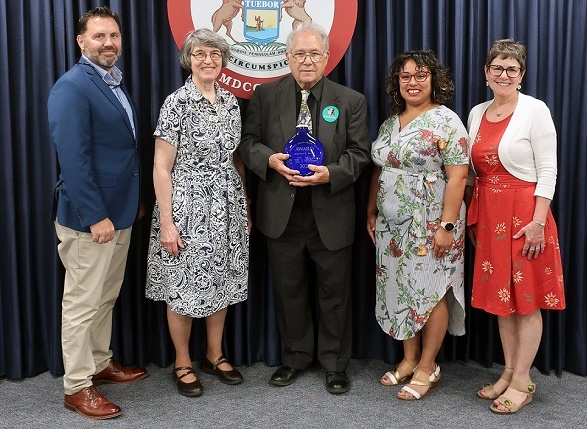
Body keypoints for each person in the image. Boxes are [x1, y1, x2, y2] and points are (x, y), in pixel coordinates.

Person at [238, 23, 370, 394]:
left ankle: (334, 363)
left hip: (331, 209)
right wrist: (270, 161)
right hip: (281, 211)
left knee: (335, 292)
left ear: (327, 58)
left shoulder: (350, 100)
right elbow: (247, 143)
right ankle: (296, 356)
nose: (307, 61)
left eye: (314, 54)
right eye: (299, 54)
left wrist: (332, 173)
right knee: (288, 289)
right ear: (287, 57)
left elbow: (361, 154)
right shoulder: (265, 96)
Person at [48, 6, 148, 420]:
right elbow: (74, 160)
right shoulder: (72, 86)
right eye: (99, 37)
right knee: (82, 303)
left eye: (114, 36)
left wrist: (133, 200)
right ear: (81, 41)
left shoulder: (111, 82)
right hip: (92, 218)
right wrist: (95, 216)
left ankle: (100, 363)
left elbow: (120, 150)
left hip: (120, 212)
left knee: (105, 298)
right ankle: (76, 387)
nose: (109, 43)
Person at [145, 28, 249, 398]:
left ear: (223, 60)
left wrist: (244, 205)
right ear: (188, 59)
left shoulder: (232, 102)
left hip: (227, 205)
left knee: (219, 281)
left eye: (215, 55)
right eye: (201, 54)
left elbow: (235, 158)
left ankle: (215, 354)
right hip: (187, 207)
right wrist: (168, 223)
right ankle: (182, 361)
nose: (208, 61)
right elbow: (161, 166)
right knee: (184, 288)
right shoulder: (177, 103)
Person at [465, 39, 565, 415]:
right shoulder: (476, 112)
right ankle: (508, 371)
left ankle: (523, 379)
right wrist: (473, 217)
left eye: (511, 69)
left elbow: (548, 170)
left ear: (521, 75)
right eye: (496, 67)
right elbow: (474, 173)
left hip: (526, 216)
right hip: (489, 215)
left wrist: (539, 221)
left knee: (525, 302)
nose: (503, 74)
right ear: (486, 72)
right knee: (502, 302)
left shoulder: (535, 110)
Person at [366, 50, 470, 401]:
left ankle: (428, 366)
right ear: (397, 82)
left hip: (432, 222)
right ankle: (409, 359)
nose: (412, 82)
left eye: (420, 75)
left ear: (434, 80)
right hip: (391, 223)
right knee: (400, 289)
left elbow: (458, 178)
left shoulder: (447, 121)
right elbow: (379, 168)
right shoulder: (391, 122)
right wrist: (371, 209)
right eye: (405, 76)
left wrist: (448, 226)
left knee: (430, 290)